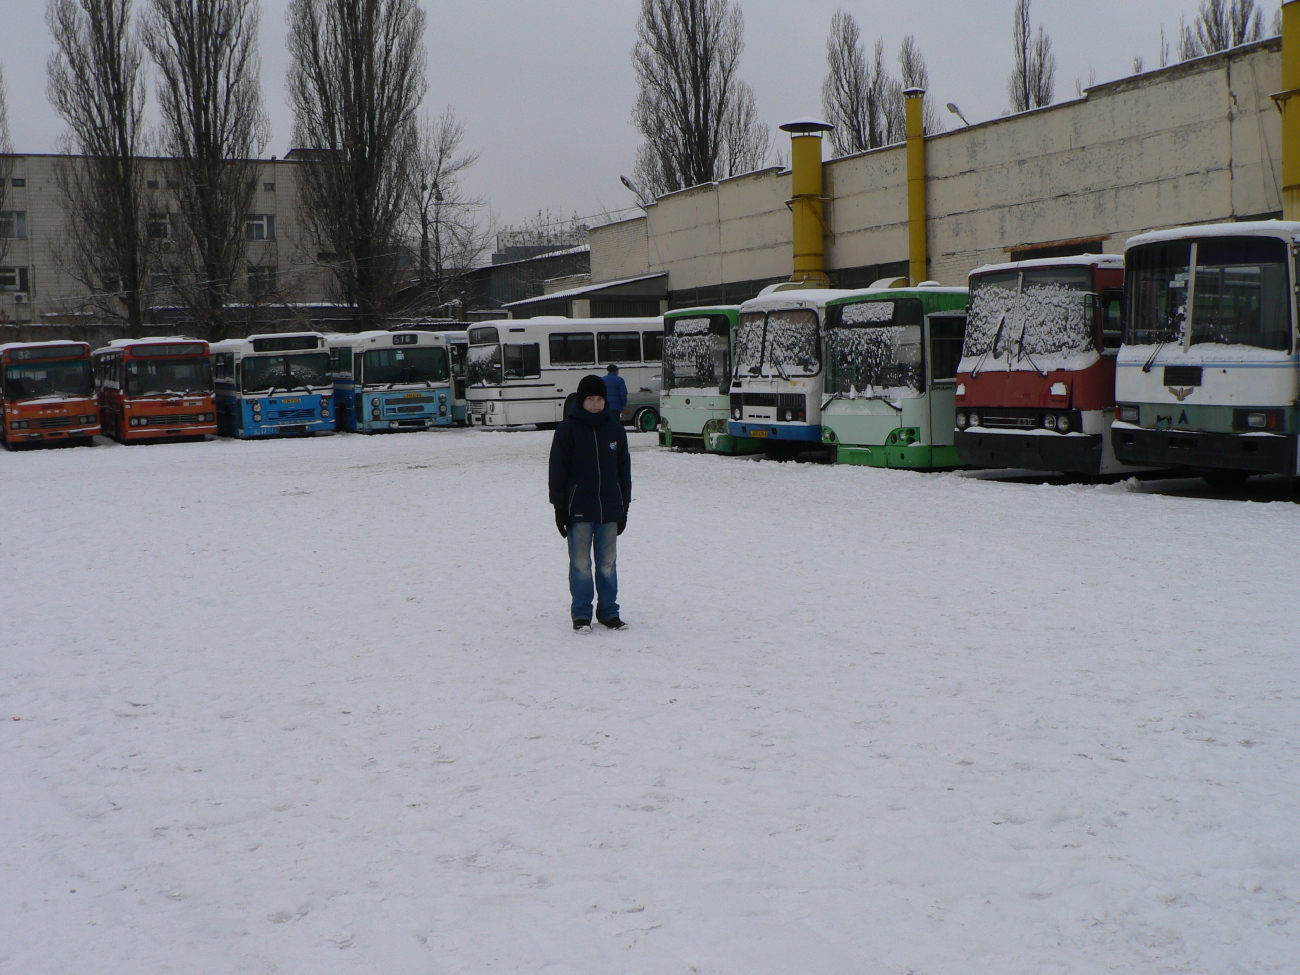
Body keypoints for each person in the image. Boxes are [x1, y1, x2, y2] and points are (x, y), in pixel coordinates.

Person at [548, 374, 631, 632]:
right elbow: (557, 471)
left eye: (599, 399)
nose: (595, 404)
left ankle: (608, 612)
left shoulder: (615, 430)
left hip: (609, 509)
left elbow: (623, 471)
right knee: (581, 564)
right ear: (581, 401)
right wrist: (560, 508)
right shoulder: (567, 430)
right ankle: (582, 615)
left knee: (607, 563)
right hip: (579, 509)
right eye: (590, 399)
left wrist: (624, 507)